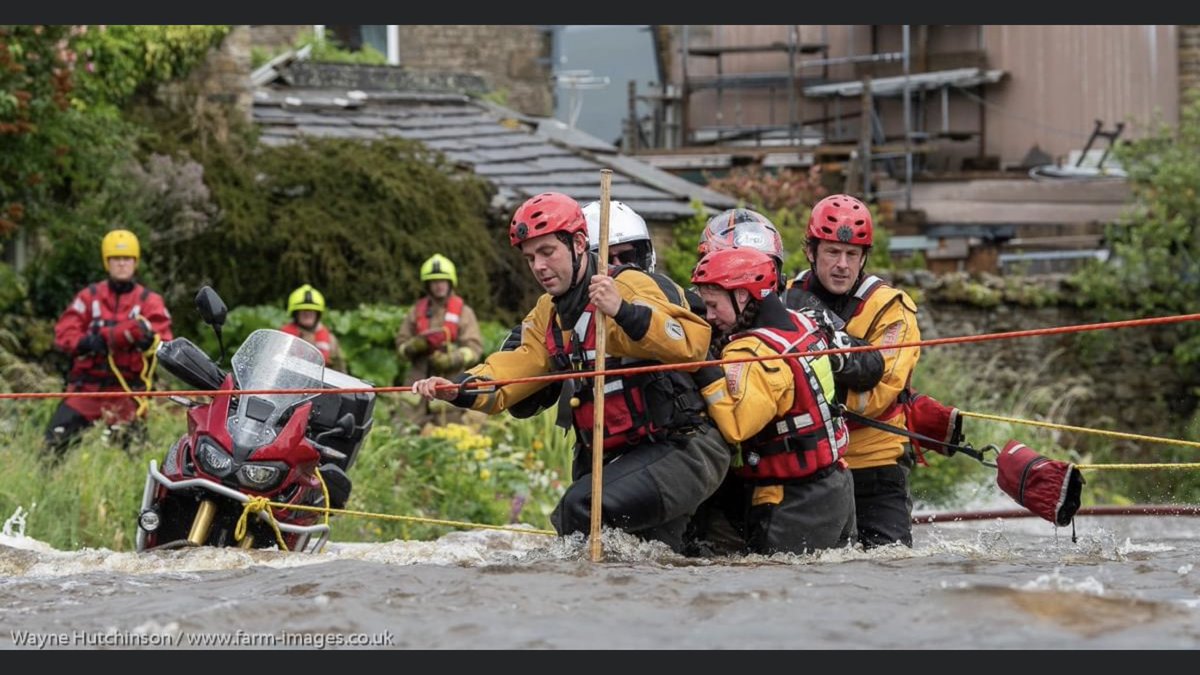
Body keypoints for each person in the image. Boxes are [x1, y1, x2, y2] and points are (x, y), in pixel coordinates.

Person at [412, 192, 731, 552]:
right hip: (626, 461)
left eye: (548, 252)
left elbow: (691, 341)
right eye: (531, 257)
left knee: (579, 509)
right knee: (643, 561)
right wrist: (459, 388)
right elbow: (516, 368)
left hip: (683, 449)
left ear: (579, 243)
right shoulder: (547, 312)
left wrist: (622, 310)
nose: (539, 267)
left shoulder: (629, 285)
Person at [690, 246, 857, 554]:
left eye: (713, 305)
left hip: (791, 501)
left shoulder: (752, 351)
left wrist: (702, 367)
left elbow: (738, 426)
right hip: (838, 486)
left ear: (742, 297)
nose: (709, 316)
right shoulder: (800, 323)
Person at [785, 193, 922, 549]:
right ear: (812, 252)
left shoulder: (893, 310)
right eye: (832, 252)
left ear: (864, 258)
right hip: (805, 464)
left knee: (889, 564)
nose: (843, 265)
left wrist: (809, 390)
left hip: (875, 463)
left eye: (852, 255)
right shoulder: (784, 297)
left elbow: (878, 396)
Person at [44, 229, 174, 455]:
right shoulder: (88, 297)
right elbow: (64, 334)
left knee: (134, 455)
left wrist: (146, 342)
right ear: (107, 262)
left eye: (126, 259)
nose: (121, 264)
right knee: (52, 445)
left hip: (127, 395)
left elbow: (164, 342)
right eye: (116, 259)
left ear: (135, 262)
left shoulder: (150, 302)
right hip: (86, 392)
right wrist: (88, 342)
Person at [396, 253, 484, 427]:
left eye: (443, 281)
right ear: (427, 285)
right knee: (404, 432)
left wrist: (452, 359)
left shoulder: (464, 313)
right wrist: (413, 347)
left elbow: (475, 348)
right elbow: (400, 345)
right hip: (417, 384)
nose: (439, 285)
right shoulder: (415, 312)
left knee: (449, 438)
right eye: (434, 281)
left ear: (450, 282)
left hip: (450, 384)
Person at [280, 284, 347, 372]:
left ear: (318, 314)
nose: (307, 313)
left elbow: (341, 371)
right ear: (295, 313)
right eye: (303, 310)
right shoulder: (283, 336)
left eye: (311, 310)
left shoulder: (331, 340)